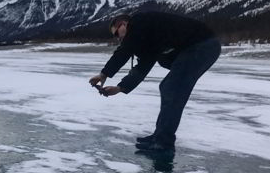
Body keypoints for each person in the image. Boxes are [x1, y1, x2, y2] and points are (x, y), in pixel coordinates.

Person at [89, 11, 221, 153]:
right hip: (198, 49)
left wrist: (104, 74)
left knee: (171, 87)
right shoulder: (147, 40)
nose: (119, 37)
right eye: (115, 36)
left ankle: (163, 143)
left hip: (202, 45)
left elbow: (124, 50)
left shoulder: (139, 21)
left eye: (117, 33)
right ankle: (159, 137)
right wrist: (120, 88)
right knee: (167, 87)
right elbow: (141, 68)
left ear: (125, 23)